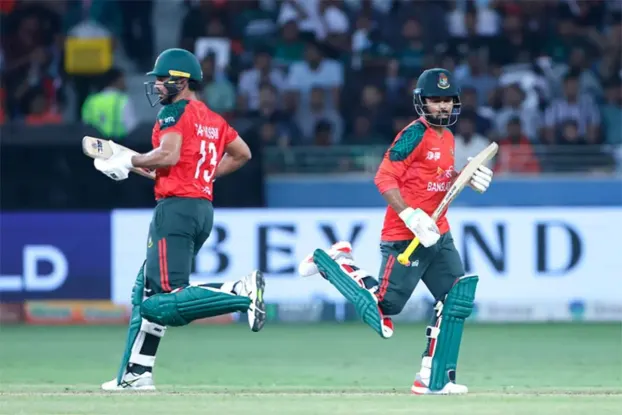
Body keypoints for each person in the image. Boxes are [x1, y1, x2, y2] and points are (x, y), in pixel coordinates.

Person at [298, 68, 494, 395]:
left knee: (456, 299)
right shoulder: (414, 134)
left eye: (448, 100)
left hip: (438, 234)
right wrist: (410, 215)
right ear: (422, 102)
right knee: (385, 307)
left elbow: (436, 178)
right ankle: (334, 262)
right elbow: (384, 177)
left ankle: (433, 379)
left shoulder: (447, 137)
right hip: (405, 235)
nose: (443, 106)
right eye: (436, 100)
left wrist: (465, 177)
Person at [93, 48, 266, 391]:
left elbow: (168, 155)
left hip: (175, 211)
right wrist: (201, 175)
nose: (157, 86)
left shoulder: (173, 112)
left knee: (161, 301)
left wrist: (130, 161)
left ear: (181, 81)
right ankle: (136, 373)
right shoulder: (213, 119)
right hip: (201, 209)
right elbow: (242, 154)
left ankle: (239, 291)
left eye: (162, 79)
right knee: (145, 290)